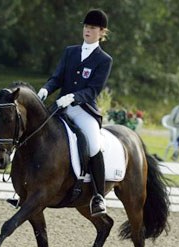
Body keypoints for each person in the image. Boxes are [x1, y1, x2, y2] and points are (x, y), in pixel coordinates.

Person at [37, 9, 113, 216]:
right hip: (61, 107)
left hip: (83, 110)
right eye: (86, 27)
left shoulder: (104, 59)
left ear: (101, 32)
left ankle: (98, 196)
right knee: (35, 133)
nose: (87, 30)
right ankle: (26, 187)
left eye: (92, 28)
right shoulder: (70, 51)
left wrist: (73, 97)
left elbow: (93, 89)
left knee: (94, 144)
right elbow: (57, 77)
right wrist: (45, 89)